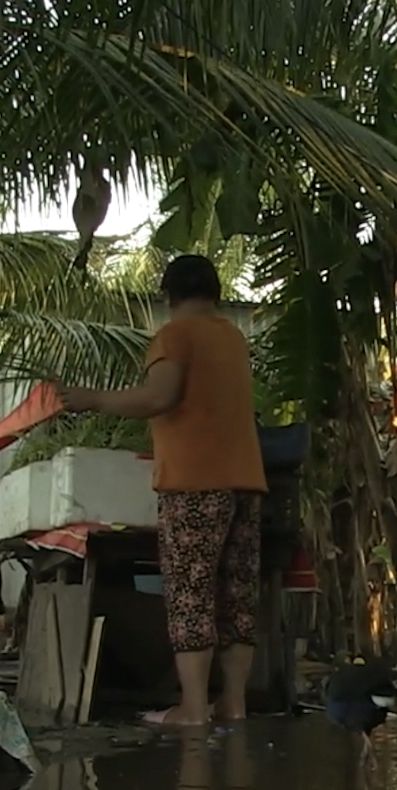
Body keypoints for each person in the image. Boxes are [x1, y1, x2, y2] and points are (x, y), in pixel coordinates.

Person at [58, 254, 266, 726]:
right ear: (214, 293)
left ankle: (193, 709)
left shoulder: (175, 336)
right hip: (245, 481)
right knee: (236, 595)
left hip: (194, 481)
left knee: (191, 593)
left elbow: (159, 397)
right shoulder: (232, 338)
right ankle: (233, 701)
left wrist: (93, 400)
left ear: (169, 296)